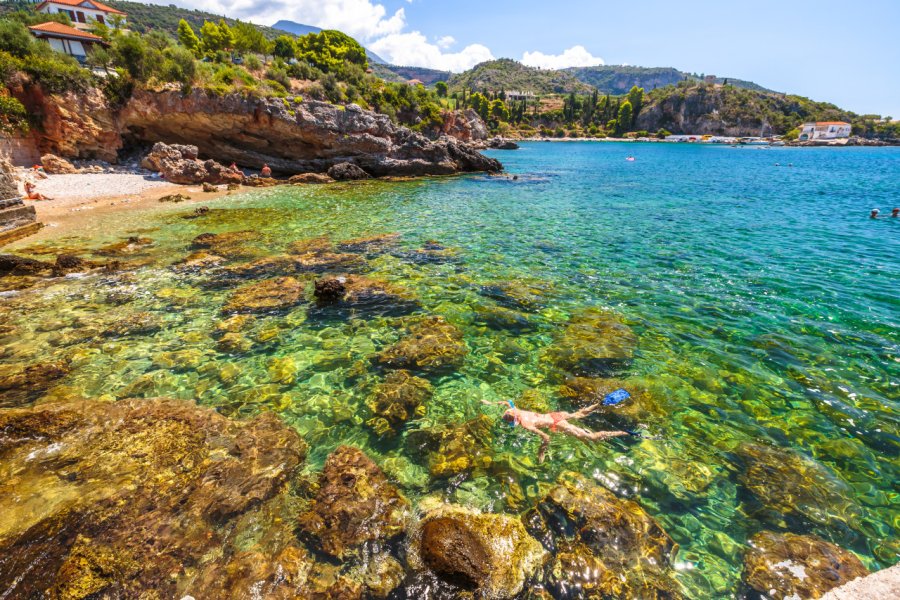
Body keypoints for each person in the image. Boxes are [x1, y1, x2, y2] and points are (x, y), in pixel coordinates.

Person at [482, 399, 629, 463]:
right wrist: (491, 403)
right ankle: (599, 404)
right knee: (579, 413)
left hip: (558, 423)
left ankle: (624, 433)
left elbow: (546, 437)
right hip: (555, 414)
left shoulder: (525, 424)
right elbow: (507, 402)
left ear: (515, 421)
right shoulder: (515, 410)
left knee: (592, 437)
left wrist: (541, 452)